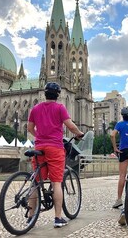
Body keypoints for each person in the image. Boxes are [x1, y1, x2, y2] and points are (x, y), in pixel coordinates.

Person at [27, 82, 84, 228]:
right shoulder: (60, 108)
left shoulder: (35, 108)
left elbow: (29, 128)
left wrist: (39, 136)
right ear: (58, 95)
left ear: (45, 94)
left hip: (39, 147)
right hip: (55, 148)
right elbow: (70, 125)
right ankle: (58, 218)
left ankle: (31, 217)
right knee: (56, 182)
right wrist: (78, 133)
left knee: (35, 182)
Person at [110, 107, 128, 209]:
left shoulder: (120, 124)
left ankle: (119, 200)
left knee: (122, 175)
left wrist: (115, 148)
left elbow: (112, 135)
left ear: (122, 115)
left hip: (123, 150)